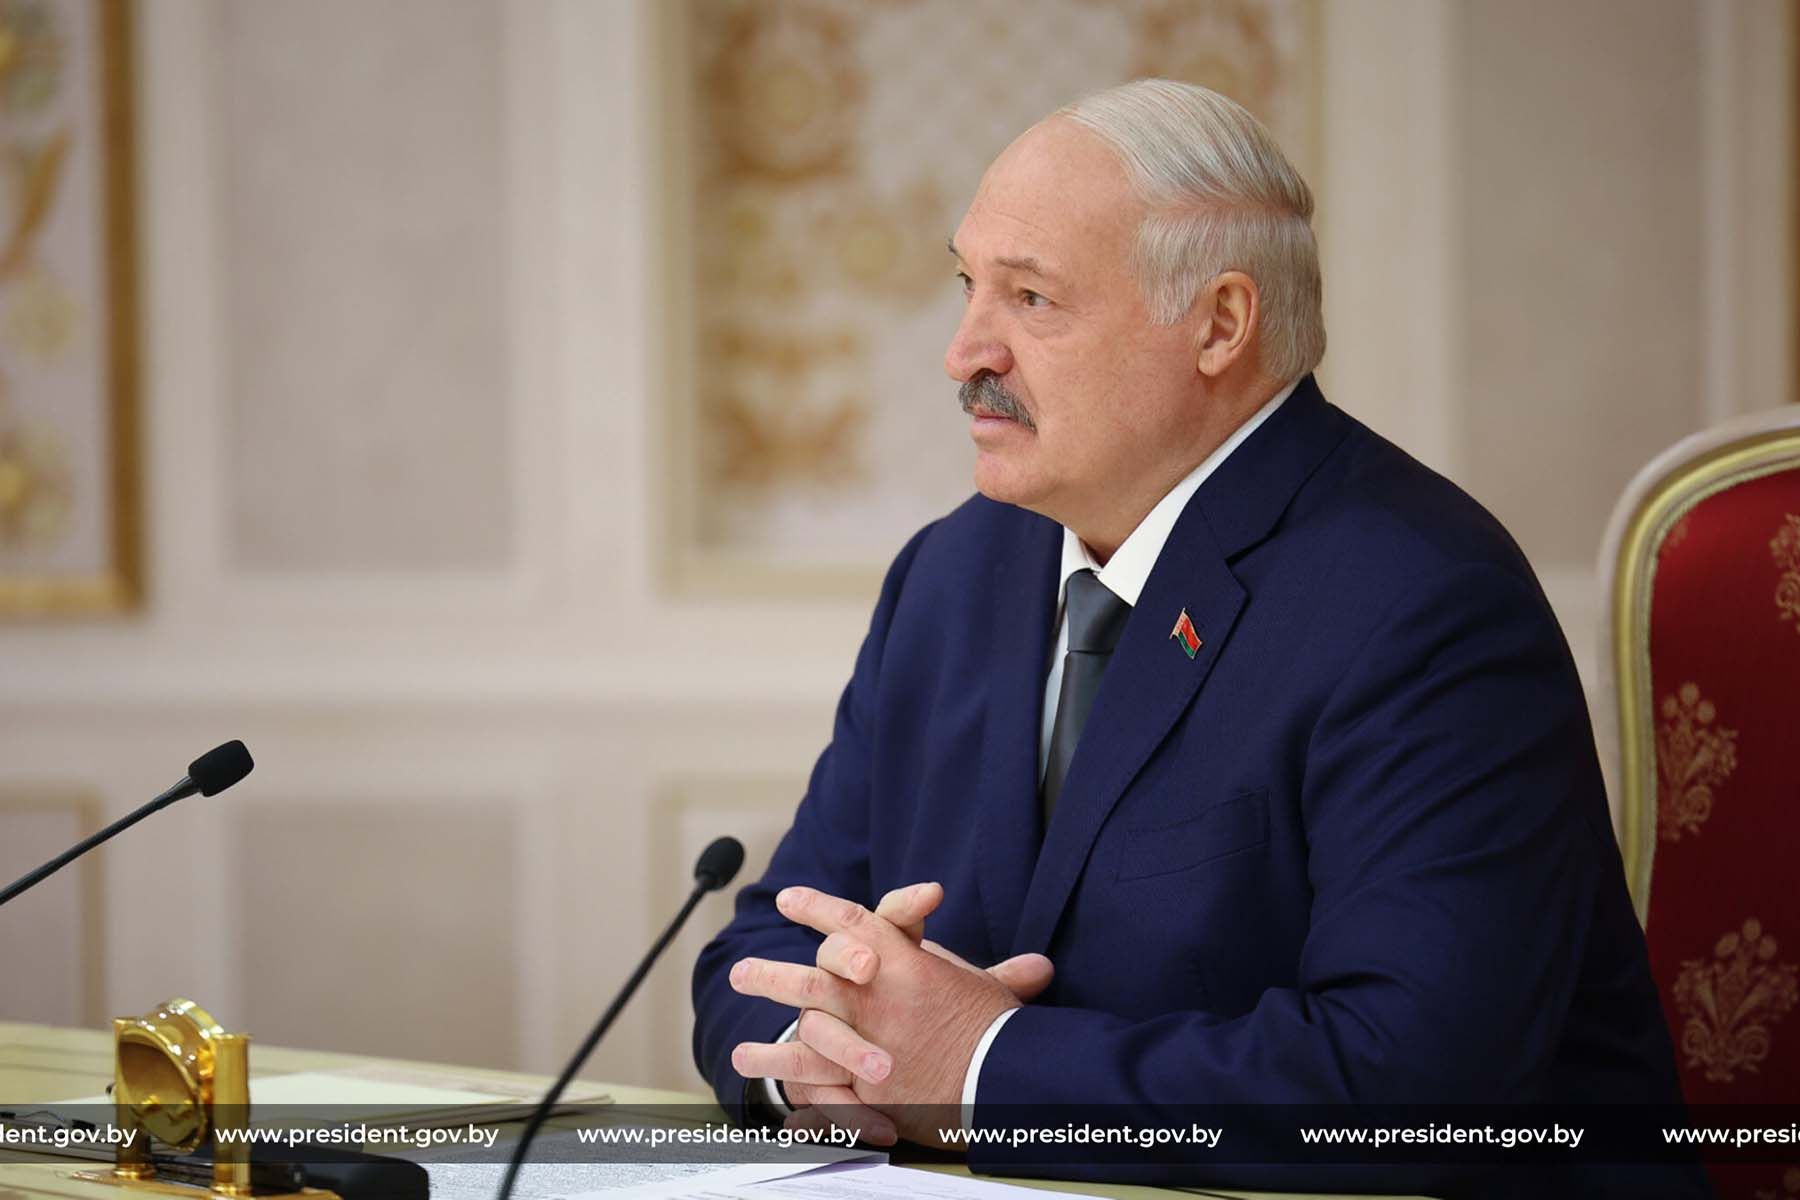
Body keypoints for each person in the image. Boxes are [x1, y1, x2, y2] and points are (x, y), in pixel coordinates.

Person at [690, 79, 1697, 1196]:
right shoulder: (952, 574)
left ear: (1219, 324)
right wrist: (821, 1064)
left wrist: (978, 1070)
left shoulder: (1425, 599)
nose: (965, 351)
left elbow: (1418, 1081)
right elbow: (766, 943)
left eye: (1031, 298)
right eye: (968, 286)